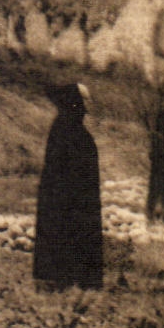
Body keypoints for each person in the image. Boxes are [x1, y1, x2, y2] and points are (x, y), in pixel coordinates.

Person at [33, 82, 103, 290]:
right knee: (66, 232)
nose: (88, 105)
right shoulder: (67, 129)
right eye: (84, 100)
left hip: (71, 198)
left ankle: (67, 278)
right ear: (75, 103)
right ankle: (66, 279)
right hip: (68, 198)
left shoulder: (68, 127)